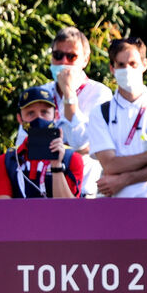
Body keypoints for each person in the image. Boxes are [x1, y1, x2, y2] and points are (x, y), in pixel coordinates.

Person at [85, 37, 147, 198]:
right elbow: (110, 165)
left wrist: (125, 179)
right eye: (121, 65)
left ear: (144, 64)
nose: (127, 69)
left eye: (133, 64)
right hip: (114, 204)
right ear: (112, 68)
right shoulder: (100, 113)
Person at [37, 26, 111, 196]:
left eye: (71, 57)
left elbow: (82, 143)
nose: (63, 62)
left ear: (85, 60)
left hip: (84, 192)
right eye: (58, 55)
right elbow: (26, 144)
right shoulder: (41, 93)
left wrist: (69, 94)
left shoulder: (100, 94)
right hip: (42, 191)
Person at [0, 87, 84, 198]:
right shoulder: (7, 160)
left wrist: (57, 166)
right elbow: (2, 205)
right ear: (20, 119)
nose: (39, 118)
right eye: (30, 113)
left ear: (55, 116)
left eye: (44, 112)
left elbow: (69, 207)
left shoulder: (72, 158)